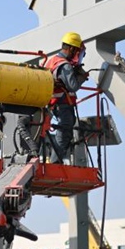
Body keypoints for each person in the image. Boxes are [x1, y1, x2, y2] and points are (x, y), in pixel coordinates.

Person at [43, 32, 90, 163]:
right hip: (62, 104)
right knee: (64, 133)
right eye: (77, 52)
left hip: (52, 103)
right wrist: (81, 77)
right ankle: (54, 162)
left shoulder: (52, 60)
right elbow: (72, 86)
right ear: (72, 49)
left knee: (60, 132)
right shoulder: (65, 65)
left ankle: (53, 160)